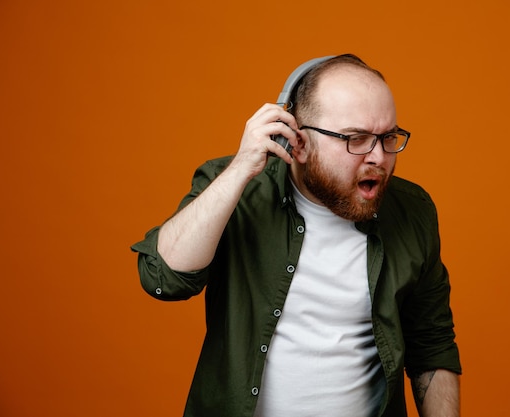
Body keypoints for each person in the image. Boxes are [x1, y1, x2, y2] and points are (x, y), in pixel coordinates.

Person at [131, 54, 461, 417]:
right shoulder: (237, 191)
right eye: (356, 139)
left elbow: (432, 345)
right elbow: (162, 278)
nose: (379, 157)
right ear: (298, 142)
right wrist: (240, 169)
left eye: (388, 137)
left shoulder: (412, 210)